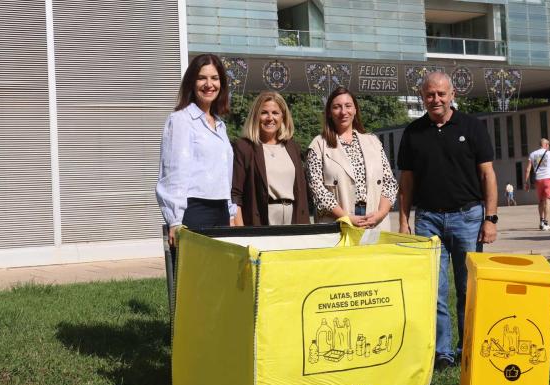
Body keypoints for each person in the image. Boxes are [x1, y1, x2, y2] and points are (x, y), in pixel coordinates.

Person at [397, 71, 498, 370]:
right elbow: (407, 182)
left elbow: (487, 175)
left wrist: (490, 219)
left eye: (441, 93)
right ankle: (443, 352)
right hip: (428, 219)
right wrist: (403, 221)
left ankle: (466, 346)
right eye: (430, 94)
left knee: (467, 289)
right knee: (436, 289)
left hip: (468, 217)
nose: (436, 99)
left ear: (452, 94)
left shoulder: (472, 127)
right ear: (422, 97)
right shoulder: (413, 133)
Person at [156, 53, 236, 247]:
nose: (209, 84)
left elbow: (224, 174)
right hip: (194, 210)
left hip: (221, 211)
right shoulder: (181, 120)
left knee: (219, 275)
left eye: (214, 78)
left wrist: (230, 213)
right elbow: (174, 173)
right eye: (202, 78)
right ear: (192, 82)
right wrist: (175, 220)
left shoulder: (220, 125)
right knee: (195, 276)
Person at [307, 87, 398, 230]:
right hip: (337, 221)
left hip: (374, 220)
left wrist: (380, 214)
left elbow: (389, 183)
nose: (343, 112)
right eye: (337, 107)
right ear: (329, 113)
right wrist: (346, 217)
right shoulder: (318, 145)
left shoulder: (373, 142)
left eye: (348, 106)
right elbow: (318, 190)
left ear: (355, 110)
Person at [231, 91, 310, 226]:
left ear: (283, 117)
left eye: (275, 113)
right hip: (261, 218)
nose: (270, 118)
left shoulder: (292, 147)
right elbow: (236, 194)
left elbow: (301, 190)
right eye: (264, 113)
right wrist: (240, 231)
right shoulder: (244, 147)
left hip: (293, 218)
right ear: (256, 116)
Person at [524, 138, 550, 231]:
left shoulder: (533, 154)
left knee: (541, 200)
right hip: (548, 178)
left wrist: (526, 182)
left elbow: (528, 169)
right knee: (548, 201)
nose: (549, 147)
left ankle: (541, 222)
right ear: (546, 145)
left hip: (538, 180)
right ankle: (546, 223)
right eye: (548, 145)